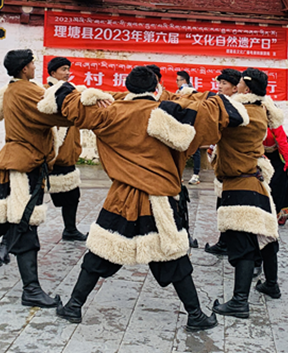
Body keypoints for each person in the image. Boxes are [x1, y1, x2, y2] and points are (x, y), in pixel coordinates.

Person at [48, 66, 218, 332]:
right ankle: (195, 315)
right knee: (173, 257)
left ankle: (74, 306)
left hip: (123, 197)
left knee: (101, 252)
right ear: (155, 88)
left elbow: (71, 105)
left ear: (128, 88)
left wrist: (79, 91)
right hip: (159, 199)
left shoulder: (110, 111)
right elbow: (212, 116)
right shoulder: (167, 112)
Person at [0, 50, 74, 309]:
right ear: (24, 68)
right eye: (32, 63)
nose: (34, 67)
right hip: (24, 164)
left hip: (9, 160)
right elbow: (55, 113)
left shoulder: (11, 89)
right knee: (25, 221)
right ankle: (31, 289)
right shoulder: (28, 90)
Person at [194, 68, 282, 317]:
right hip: (255, 181)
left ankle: (239, 301)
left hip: (239, 184)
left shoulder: (240, 113)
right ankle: (271, 284)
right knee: (266, 236)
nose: (235, 86)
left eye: (239, 83)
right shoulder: (260, 109)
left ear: (247, 88)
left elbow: (207, 121)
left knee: (243, 244)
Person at [46, 56, 88, 241]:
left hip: (67, 154)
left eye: (68, 69)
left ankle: (70, 229)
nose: (67, 73)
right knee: (33, 196)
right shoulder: (47, 92)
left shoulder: (72, 93)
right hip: (50, 154)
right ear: (53, 72)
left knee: (72, 195)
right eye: (63, 69)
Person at [203, 68, 242, 256]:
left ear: (235, 88)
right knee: (224, 204)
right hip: (224, 163)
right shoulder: (224, 104)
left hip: (235, 163)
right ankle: (225, 242)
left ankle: (232, 245)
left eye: (224, 83)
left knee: (231, 205)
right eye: (219, 83)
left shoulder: (238, 108)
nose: (219, 86)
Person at [264, 124, 288, 225]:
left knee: (280, 182)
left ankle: (280, 213)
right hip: (262, 154)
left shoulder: (275, 124)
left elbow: (283, 144)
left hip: (279, 153)